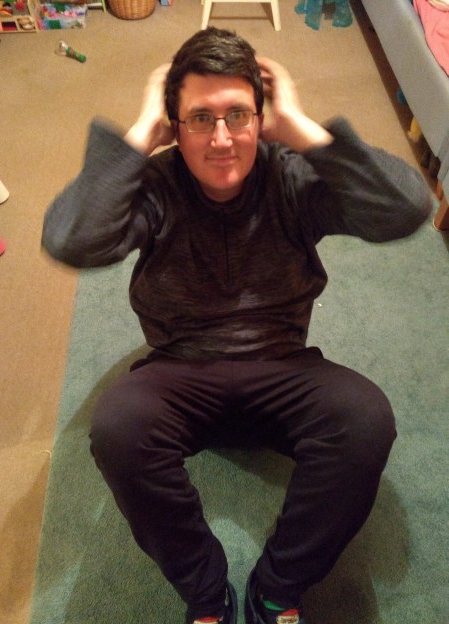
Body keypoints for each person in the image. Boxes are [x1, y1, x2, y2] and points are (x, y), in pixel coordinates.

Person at [42, 27, 431, 624]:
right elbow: (71, 238)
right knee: (118, 428)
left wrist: (299, 127)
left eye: (237, 116)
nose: (222, 138)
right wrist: (141, 133)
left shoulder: (291, 175)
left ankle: (276, 590)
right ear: (176, 125)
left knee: (365, 419)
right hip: (179, 368)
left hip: (282, 365)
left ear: (260, 117)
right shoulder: (156, 184)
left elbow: (405, 208)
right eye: (201, 118)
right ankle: (207, 595)